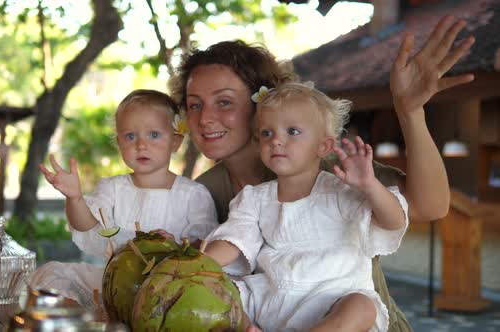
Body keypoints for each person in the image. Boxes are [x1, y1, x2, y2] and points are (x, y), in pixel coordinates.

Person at [169, 15, 474, 331]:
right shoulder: (202, 191)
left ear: (263, 103)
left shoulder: (332, 170)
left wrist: (410, 112)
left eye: (224, 102)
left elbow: (431, 206)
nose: (205, 117)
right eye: (194, 105)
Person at [204, 81, 409, 331]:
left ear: (323, 146)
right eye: (267, 133)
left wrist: (370, 186)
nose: (276, 141)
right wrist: (200, 265)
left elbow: (393, 221)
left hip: (332, 299)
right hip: (272, 300)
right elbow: (234, 239)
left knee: (362, 305)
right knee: (222, 289)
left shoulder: (340, 192)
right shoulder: (254, 199)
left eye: (292, 131)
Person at [30, 89, 218, 307]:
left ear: (175, 142)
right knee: (51, 272)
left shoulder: (193, 195)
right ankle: (71, 319)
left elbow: (204, 248)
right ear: (119, 143)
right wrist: (75, 198)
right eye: (130, 136)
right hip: (114, 283)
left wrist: (175, 246)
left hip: (169, 290)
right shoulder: (112, 188)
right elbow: (86, 225)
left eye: (154, 135)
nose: (141, 145)